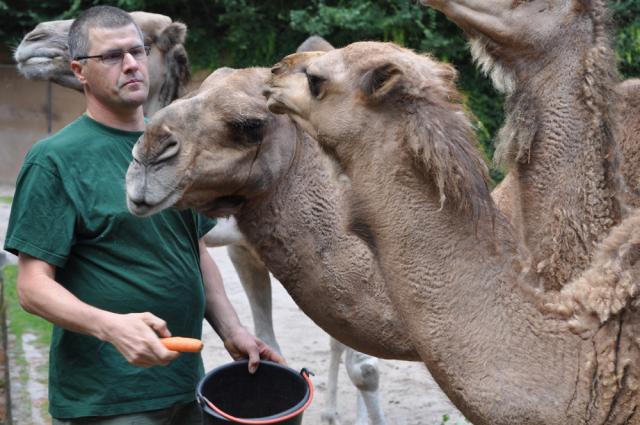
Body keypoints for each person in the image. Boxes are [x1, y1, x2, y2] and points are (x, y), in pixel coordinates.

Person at [3, 5, 284, 424]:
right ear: (79, 71)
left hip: (189, 390)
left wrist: (234, 330)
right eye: (113, 56)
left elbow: (198, 253)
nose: (132, 64)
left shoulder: (175, 144)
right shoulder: (55, 159)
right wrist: (111, 327)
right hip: (107, 402)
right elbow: (31, 287)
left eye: (138, 50)